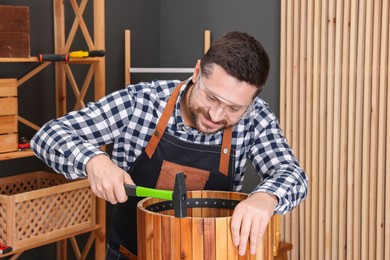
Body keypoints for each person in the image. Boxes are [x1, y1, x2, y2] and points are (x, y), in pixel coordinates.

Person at [31, 31, 308, 259]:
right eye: (211, 98)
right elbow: (47, 136)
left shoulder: (255, 117)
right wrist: (93, 160)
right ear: (197, 72)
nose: (216, 115)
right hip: (129, 254)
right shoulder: (141, 103)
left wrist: (266, 197)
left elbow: (292, 174)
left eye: (233, 109)